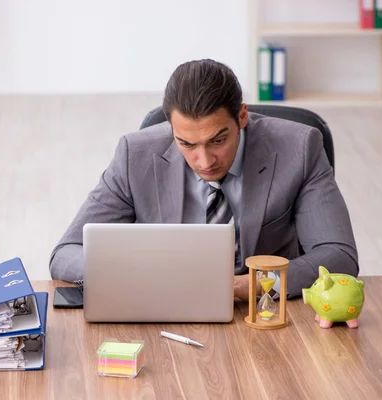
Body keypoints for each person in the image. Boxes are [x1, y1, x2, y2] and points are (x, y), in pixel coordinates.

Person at [48, 59, 359, 300]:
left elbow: (338, 256)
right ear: (171, 129)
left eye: (218, 140)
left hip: (264, 312)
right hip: (167, 308)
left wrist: (252, 284)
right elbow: (66, 253)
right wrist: (139, 275)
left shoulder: (300, 147)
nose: (205, 160)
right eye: (186, 144)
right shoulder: (135, 155)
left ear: (242, 117)